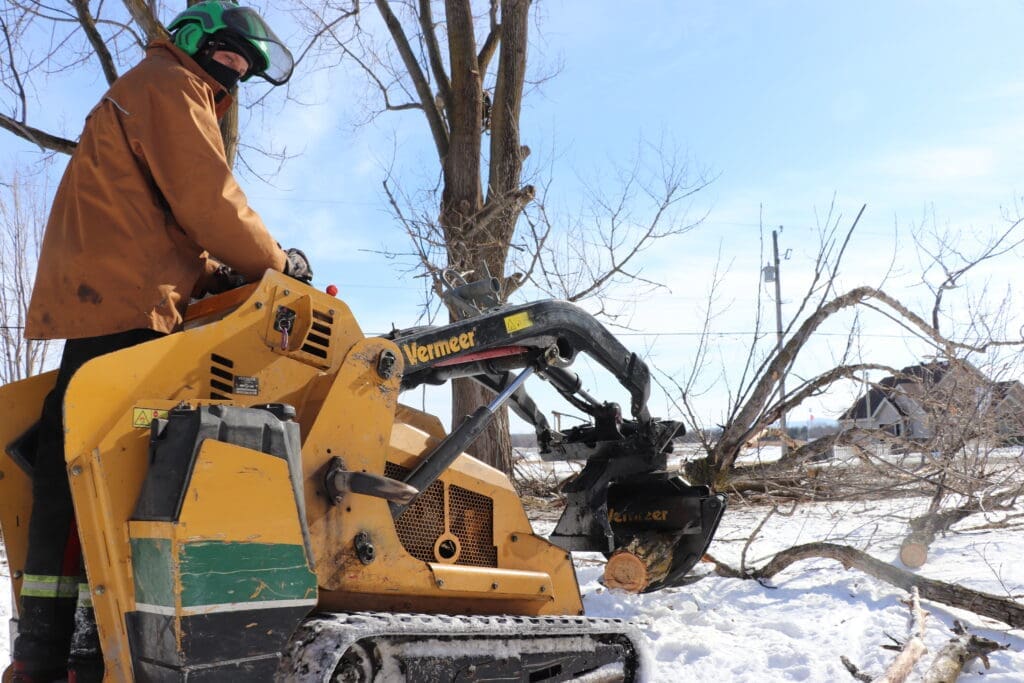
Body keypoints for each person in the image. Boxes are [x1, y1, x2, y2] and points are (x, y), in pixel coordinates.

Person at [10, 3, 311, 681]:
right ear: (196, 40)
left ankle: (54, 652)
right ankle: (81, 655)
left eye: (244, 69)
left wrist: (214, 271)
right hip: (126, 308)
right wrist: (278, 263)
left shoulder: (142, 90)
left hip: (105, 299)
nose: (232, 73)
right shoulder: (172, 86)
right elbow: (210, 201)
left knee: (76, 469)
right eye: (228, 55)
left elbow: (158, 224)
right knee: (118, 460)